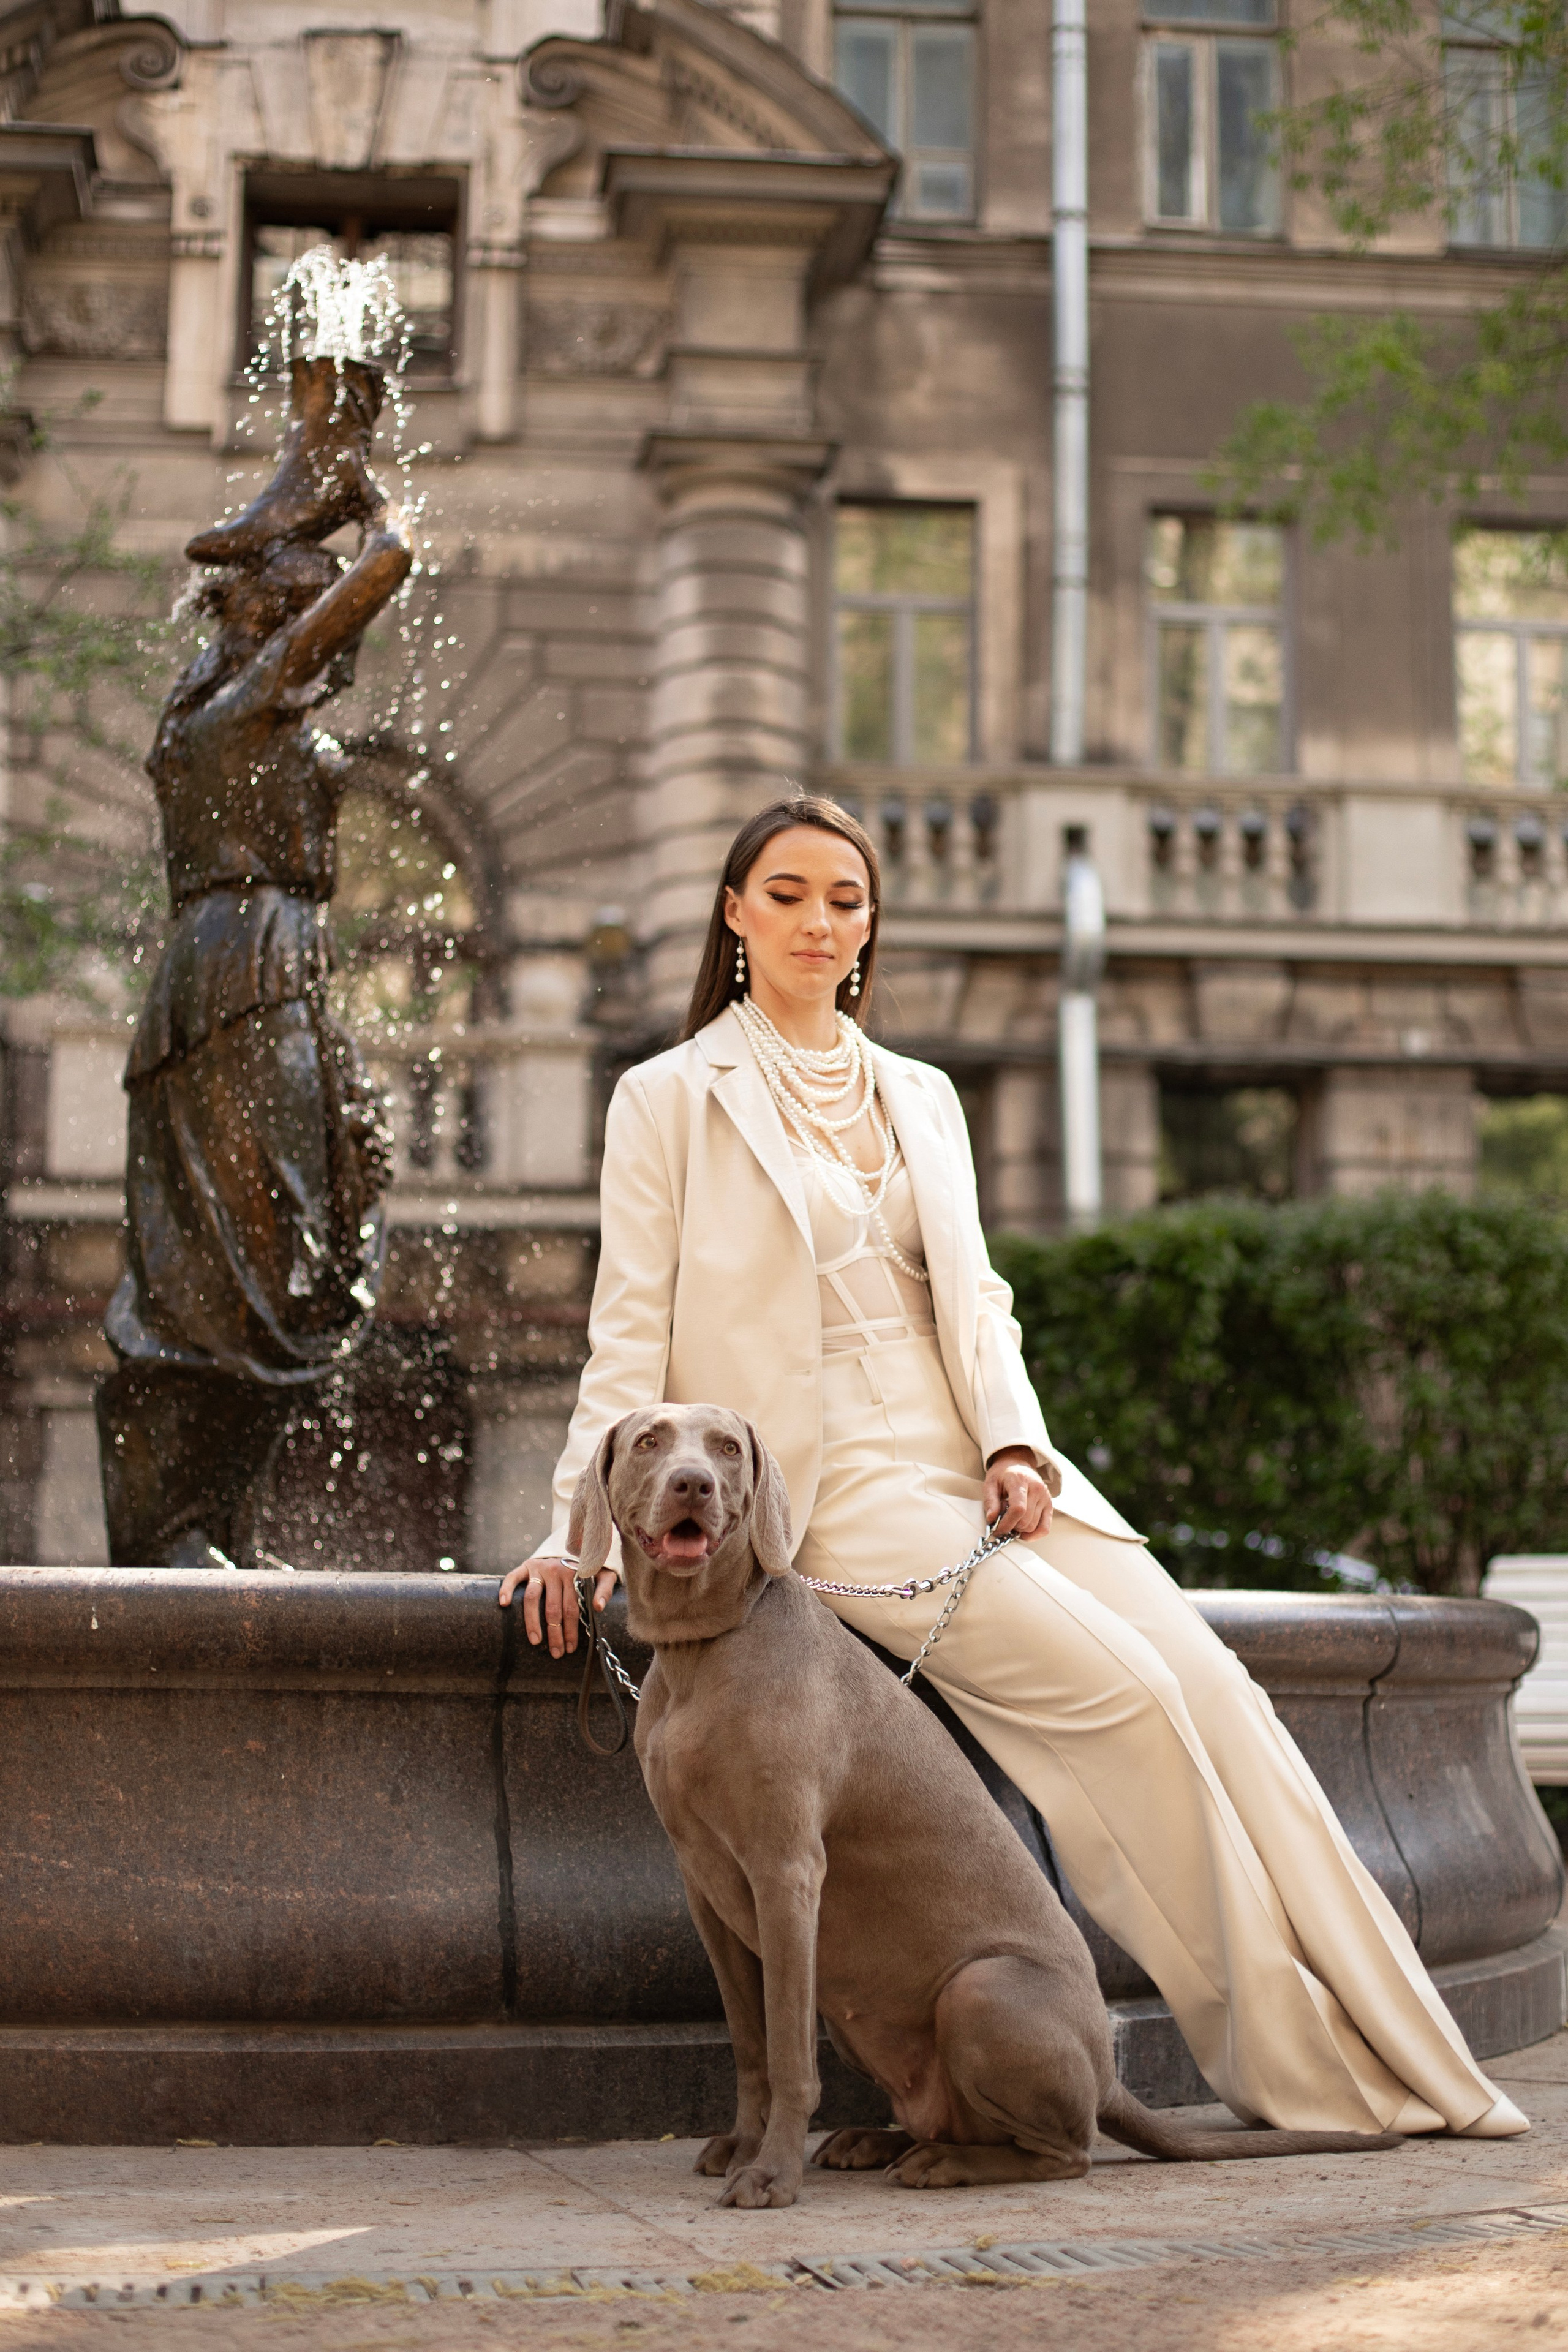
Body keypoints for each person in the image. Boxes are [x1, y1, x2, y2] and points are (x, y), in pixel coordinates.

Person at [499, 793, 1526, 2141]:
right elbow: (628, 1334)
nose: (820, 922)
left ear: (870, 925)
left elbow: (974, 1303)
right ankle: (1299, 2072)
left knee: (1214, 1686)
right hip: (830, 1492)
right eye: (790, 894)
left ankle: (1407, 2051)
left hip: (972, 1458)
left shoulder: (919, 1093)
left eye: (846, 900)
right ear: (735, 913)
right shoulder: (669, 1098)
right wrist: (574, 1531)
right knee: (1131, 1700)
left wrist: (1013, 1444)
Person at [97, 356, 411, 1568]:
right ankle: (170, 1527)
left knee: (293, 1253)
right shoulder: (238, 712)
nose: (331, 617)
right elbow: (391, 562)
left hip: (270, 977)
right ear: (262, 615)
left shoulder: (216, 713)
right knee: (233, 1263)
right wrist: (343, 487)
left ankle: (212, 1520)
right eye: (304, 595)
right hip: (240, 981)